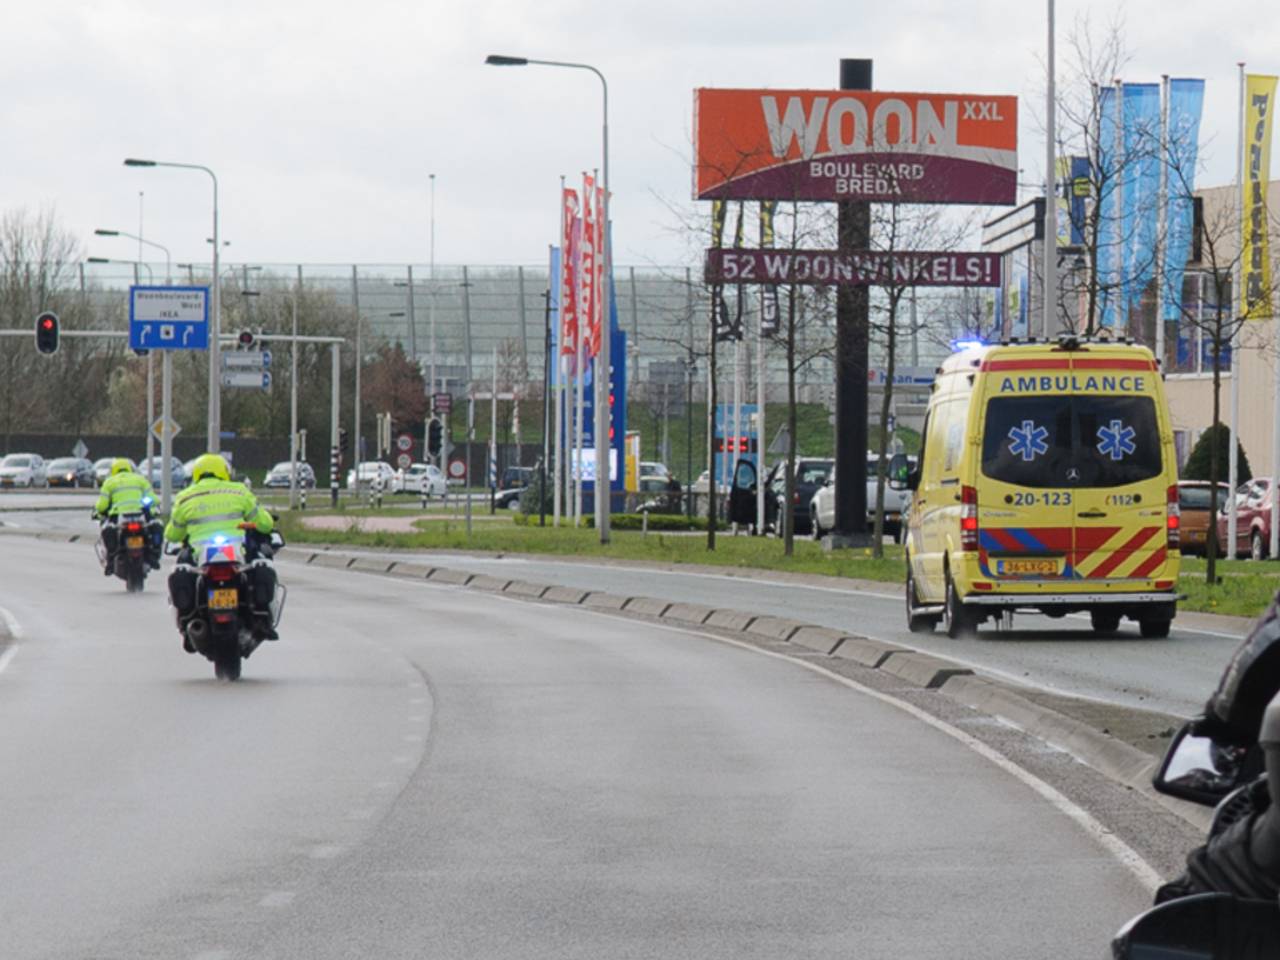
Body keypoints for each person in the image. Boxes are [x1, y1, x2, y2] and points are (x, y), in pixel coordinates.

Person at [164, 453, 279, 647]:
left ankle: (187, 621)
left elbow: (173, 535)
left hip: (202, 557)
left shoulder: (185, 497)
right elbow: (265, 524)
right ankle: (261, 617)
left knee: (183, 570)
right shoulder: (239, 492)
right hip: (235, 553)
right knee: (259, 565)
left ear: (196, 474)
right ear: (225, 472)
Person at [93, 458, 161, 573]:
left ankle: (111, 560)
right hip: (140, 515)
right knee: (156, 526)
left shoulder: (109, 482)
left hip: (118, 516)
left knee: (108, 530)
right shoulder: (140, 480)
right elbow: (154, 499)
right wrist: (143, 503)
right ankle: (153, 555)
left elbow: (101, 506)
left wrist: (102, 511)